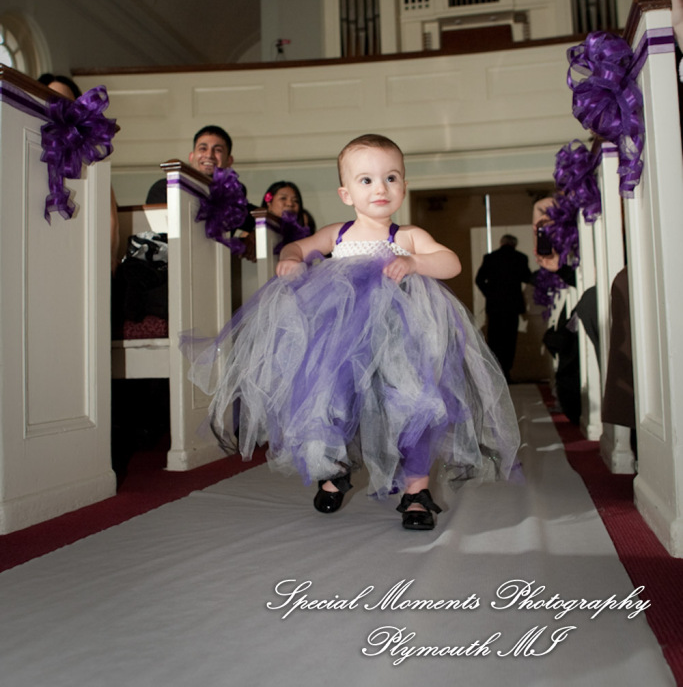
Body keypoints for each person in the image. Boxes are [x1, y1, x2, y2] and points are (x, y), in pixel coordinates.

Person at [185, 134, 520, 531]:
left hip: (401, 344)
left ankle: (416, 492)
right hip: (342, 343)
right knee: (330, 401)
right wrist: (291, 261)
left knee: (412, 408)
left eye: (391, 178)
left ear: (404, 186)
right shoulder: (337, 234)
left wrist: (413, 262)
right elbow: (296, 248)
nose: (380, 188)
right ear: (346, 193)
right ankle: (334, 469)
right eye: (366, 180)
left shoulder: (406, 236)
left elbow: (451, 263)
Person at [39, 72, 120, 273]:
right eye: (52, 100)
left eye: (66, 102)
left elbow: (110, 218)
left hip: (82, 256)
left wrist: (105, 260)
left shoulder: (91, 152)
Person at [475, 235, 532, 383]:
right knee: (509, 340)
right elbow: (527, 277)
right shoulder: (520, 258)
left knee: (494, 339)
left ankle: (495, 373)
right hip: (512, 306)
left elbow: (479, 279)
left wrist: (490, 294)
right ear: (515, 244)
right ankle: (506, 372)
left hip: (495, 306)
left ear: (501, 243)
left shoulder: (490, 258)